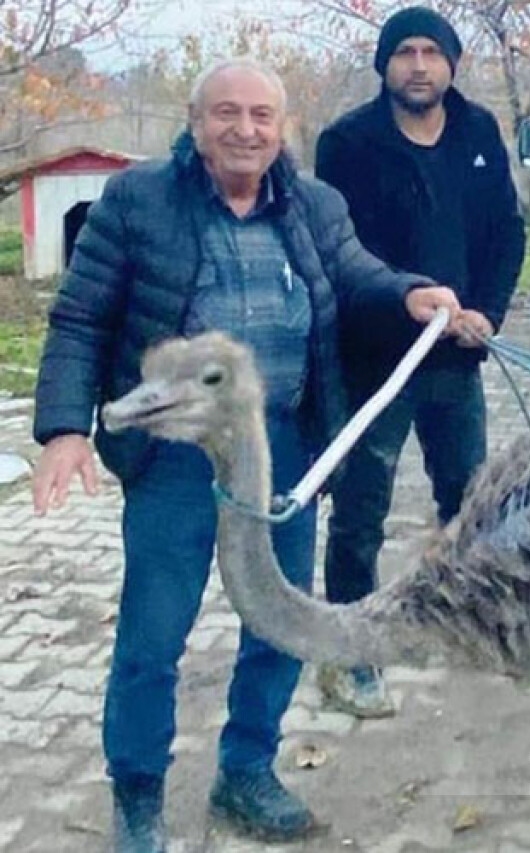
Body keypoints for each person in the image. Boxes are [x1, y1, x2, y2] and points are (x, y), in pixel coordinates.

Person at [29, 58, 461, 853]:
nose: (246, 129)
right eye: (227, 113)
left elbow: (354, 273)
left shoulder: (313, 202)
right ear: (195, 123)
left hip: (283, 449)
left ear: (282, 127)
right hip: (177, 460)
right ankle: (138, 795)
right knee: (154, 638)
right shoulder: (139, 200)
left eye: (262, 116)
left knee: (280, 624)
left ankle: (248, 769)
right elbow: (82, 318)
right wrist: (63, 427)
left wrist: (408, 293)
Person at [313, 6, 526, 718]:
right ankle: (351, 651)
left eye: (431, 52)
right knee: (361, 507)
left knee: (469, 498)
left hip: (456, 356)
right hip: (377, 361)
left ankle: (471, 622)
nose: (418, 65)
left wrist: (488, 312)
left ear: (452, 65)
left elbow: (505, 231)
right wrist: (403, 302)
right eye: (404, 52)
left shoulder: (479, 132)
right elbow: (342, 254)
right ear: (384, 65)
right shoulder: (347, 143)